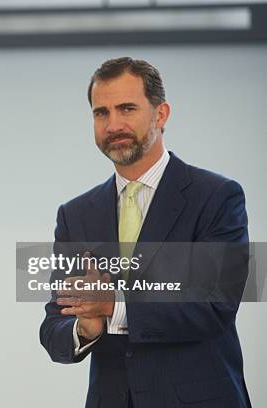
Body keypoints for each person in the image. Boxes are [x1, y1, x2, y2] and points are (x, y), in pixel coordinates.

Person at [39, 57, 251, 408]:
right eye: (101, 113)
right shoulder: (76, 215)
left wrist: (113, 307)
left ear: (161, 114)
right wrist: (85, 328)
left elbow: (215, 306)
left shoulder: (216, 197)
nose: (113, 124)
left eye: (126, 108)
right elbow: (54, 324)